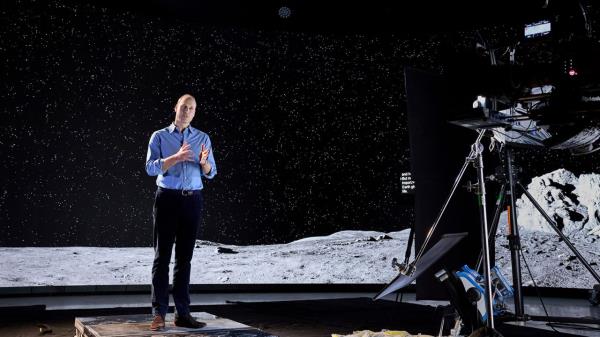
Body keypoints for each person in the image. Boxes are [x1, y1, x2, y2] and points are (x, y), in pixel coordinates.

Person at [145, 94, 217, 331]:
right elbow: (149, 167)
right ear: (175, 108)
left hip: (193, 201)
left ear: (195, 112)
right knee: (161, 257)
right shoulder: (159, 136)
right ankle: (159, 315)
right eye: (184, 107)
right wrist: (175, 158)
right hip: (167, 199)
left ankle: (182, 314)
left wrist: (204, 163)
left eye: (192, 108)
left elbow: (211, 171)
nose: (187, 111)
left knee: (184, 260)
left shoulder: (203, 138)